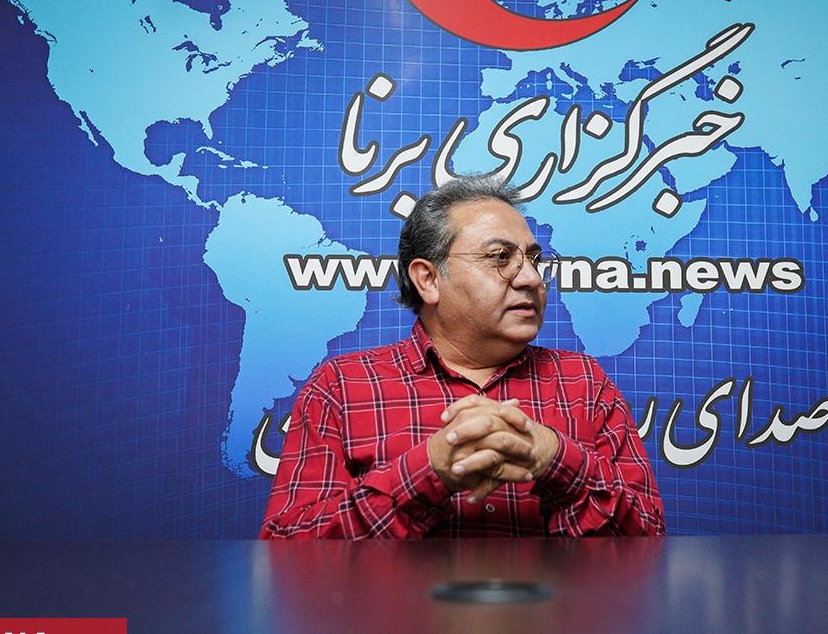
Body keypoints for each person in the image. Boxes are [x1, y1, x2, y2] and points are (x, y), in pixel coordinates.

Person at [259, 175, 664, 538]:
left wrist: (557, 460)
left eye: (534, 260)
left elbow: (648, 534)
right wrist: (427, 472)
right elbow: (289, 548)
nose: (531, 278)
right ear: (429, 279)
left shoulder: (584, 382)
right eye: (500, 257)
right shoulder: (341, 387)